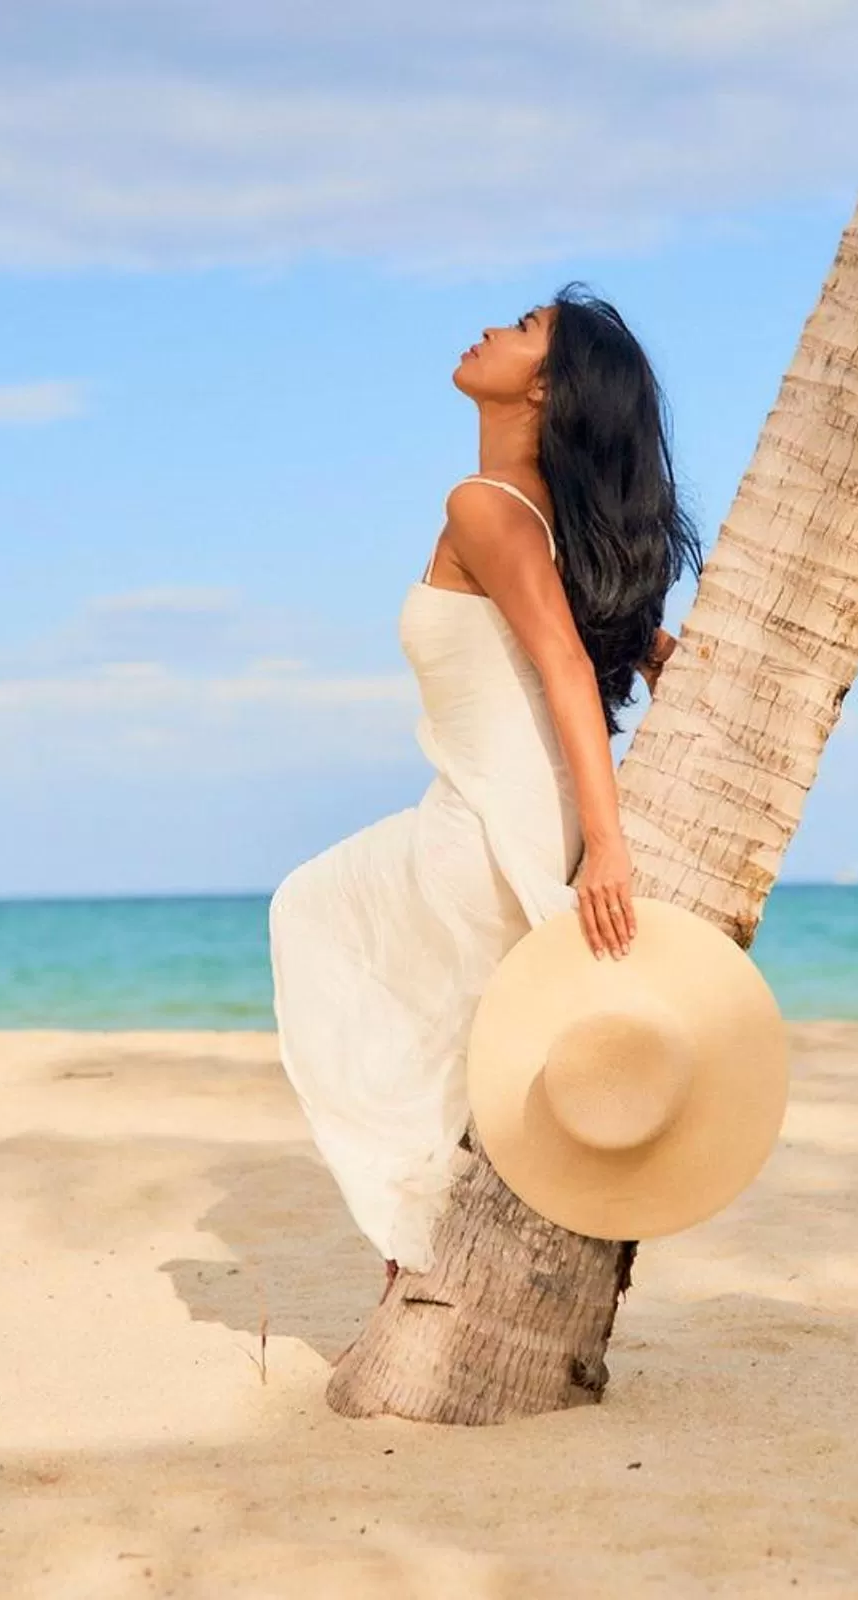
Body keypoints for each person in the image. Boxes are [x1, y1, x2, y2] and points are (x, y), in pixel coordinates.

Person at [267, 283, 699, 1302]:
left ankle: (410, 1263)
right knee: (421, 1025)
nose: (491, 330)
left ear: (546, 390)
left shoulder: (484, 507)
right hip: (508, 815)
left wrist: (608, 844)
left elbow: (556, 667)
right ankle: (419, 1254)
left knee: (322, 925)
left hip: (488, 826)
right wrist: (641, 650)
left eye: (524, 330)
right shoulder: (535, 517)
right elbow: (558, 650)